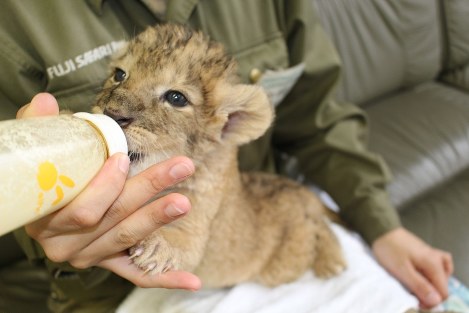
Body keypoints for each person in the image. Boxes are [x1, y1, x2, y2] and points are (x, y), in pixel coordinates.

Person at [0, 0, 453, 312]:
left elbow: (317, 117)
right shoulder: (15, 19)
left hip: (255, 226)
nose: (117, 106)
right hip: (98, 289)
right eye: (119, 76)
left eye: (175, 97)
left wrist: (381, 224)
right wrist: (41, 218)